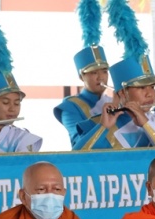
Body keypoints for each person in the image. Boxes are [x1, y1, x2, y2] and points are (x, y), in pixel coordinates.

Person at [0, 19, 42, 153]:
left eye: (17, 103)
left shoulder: (23, 137)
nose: (12, 109)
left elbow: (16, 164)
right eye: (5, 102)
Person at [53, 0, 113, 148]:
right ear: (81, 77)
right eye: (94, 73)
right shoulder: (69, 107)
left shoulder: (113, 101)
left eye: (104, 71)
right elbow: (78, 144)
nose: (101, 77)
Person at [74, 56, 155, 150]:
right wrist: (103, 127)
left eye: (152, 87)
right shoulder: (94, 123)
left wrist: (146, 124)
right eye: (142, 87)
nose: (150, 94)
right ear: (123, 92)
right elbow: (75, 155)